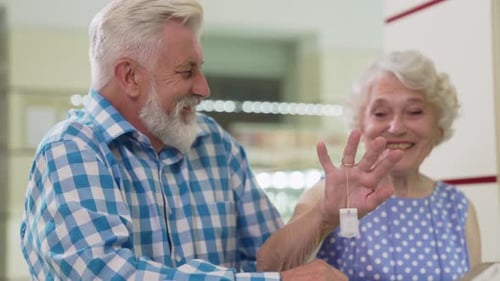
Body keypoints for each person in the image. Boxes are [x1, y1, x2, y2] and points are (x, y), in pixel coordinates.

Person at [19, 0, 403, 280]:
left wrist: (324, 215)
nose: (203, 88)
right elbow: (102, 273)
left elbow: (267, 259)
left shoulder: (215, 145)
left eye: (199, 68)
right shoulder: (74, 150)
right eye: (187, 71)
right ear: (129, 76)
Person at [257, 50, 482, 281]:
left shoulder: (458, 208)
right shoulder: (330, 193)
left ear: (439, 126)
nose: (396, 127)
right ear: (361, 124)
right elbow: (269, 266)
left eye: (414, 111)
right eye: (381, 113)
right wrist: (325, 214)